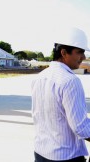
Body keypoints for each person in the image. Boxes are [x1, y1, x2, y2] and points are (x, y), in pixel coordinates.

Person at [31, 27, 90, 162]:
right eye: (79, 52)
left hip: (41, 153)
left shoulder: (39, 77)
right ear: (64, 52)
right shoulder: (70, 81)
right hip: (66, 157)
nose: (83, 57)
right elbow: (81, 128)